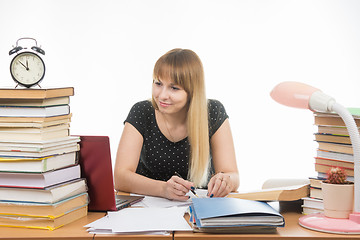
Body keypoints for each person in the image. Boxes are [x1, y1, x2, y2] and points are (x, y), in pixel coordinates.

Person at [114, 48, 239, 201]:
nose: (162, 95)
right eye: (158, 83)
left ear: (192, 92)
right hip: (147, 208)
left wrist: (226, 181)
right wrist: (163, 189)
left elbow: (232, 175)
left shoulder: (213, 111)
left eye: (174, 88)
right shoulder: (142, 111)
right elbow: (120, 177)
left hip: (199, 208)